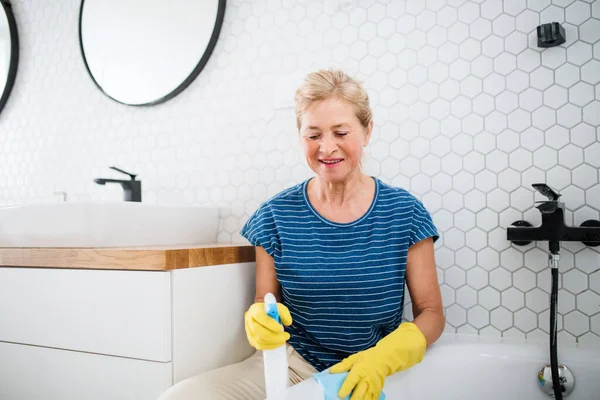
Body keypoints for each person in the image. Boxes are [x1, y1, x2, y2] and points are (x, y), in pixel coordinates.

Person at [158, 69, 445, 400]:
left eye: (341, 132)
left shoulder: (404, 213)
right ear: (300, 136)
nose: (327, 148)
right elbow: (264, 302)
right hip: (293, 367)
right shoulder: (274, 216)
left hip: (377, 371)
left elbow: (432, 314)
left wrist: (384, 358)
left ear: (367, 131)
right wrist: (260, 321)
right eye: (313, 135)